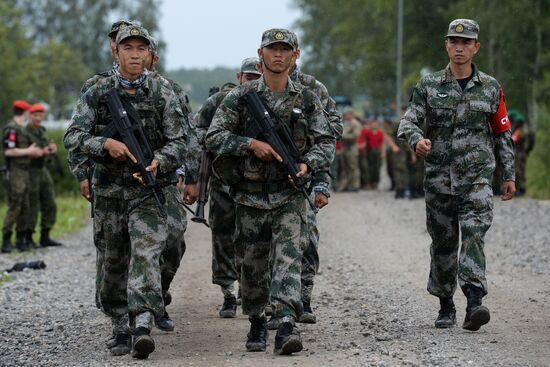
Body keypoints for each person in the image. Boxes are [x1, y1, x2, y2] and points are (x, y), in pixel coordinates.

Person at [205, 28, 334, 354]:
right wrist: (251, 144)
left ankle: (287, 324)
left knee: (288, 258)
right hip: (249, 195)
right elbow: (214, 137)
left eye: (284, 49)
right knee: (253, 263)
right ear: (261, 55)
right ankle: (258, 322)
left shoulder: (307, 99)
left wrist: (308, 165)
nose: (278, 55)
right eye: (272, 49)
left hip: (289, 195)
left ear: (295, 55)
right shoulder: (240, 97)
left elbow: (326, 142)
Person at [64, 25, 188, 359]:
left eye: (141, 49)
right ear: (115, 52)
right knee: (113, 260)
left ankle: (142, 325)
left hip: (149, 190)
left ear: (150, 54)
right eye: (128, 48)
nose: (135, 54)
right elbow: (74, 136)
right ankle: (119, 325)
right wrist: (106, 143)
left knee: (147, 253)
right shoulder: (96, 88)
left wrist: (161, 161)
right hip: (109, 191)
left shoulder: (163, 90)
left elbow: (181, 141)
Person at [397, 19, 515, 331]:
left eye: (466, 43)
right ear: (447, 45)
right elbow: (408, 121)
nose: (459, 47)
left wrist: (509, 174)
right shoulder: (428, 86)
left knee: (474, 235)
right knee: (444, 242)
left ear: (476, 47)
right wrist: (415, 140)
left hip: (476, 179)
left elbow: (502, 133)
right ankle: (445, 303)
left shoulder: (490, 87)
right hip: (439, 179)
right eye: (454, 42)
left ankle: (475, 301)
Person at [195, 57, 262, 319]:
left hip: (256, 182)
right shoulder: (222, 100)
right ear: (239, 77)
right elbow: (198, 130)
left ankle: (251, 291)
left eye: (257, 78)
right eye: (248, 78)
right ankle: (228, 293)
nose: (252, 83)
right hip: (224, 180)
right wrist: (227, 142)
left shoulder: (271, 100)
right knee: (223, 236)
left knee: (254, 239)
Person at [2, 100, 43, 253]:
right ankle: (6, 240)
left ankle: (20, 240)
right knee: (16, 204)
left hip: (25, 170)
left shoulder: (21, 129)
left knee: (25, 205)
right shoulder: (12, 129)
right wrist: (28, 152)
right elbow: (8, 151)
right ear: (25, 112)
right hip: (16, 170)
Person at [25, 103, 63, 247]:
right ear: (30, 115)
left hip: (42, 169)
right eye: (35, 115)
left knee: (50, 202)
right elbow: (24, 152)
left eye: (41, 115)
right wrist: (43, 151)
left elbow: (47, 146)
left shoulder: (42, 130)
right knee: (32, 204)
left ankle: (45, 236)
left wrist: (52, 149)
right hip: (30, 170)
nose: (38, 118)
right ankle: (28, 237)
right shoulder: (25, 131)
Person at [337, 107, 361, 192]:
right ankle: (345, 185)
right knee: (345, 167)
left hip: (352, 147)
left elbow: (356, 135)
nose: (345, 115)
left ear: (350, 114)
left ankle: (355, 185)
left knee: (353, 167)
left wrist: (344, 136)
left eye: (346, 114)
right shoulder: (345, 123)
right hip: (345, 147)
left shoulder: (355, 123)